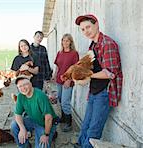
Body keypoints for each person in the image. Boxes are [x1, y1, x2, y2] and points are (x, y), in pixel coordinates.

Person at [74, 14, 123, 148]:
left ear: (96, 24)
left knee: (94, 129)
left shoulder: (107, 44)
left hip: (104, 93)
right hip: (94, 91)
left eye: (88, 27)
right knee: (86, 124)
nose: (86, 31)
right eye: (83, 29)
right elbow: (92, 67)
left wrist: (88, 75)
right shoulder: (93, 46)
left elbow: (110, 73)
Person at [11, 75, 58, 148]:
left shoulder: (40, 96)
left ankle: (51, 133)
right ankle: (24, 145)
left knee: (42, 145)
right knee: (14, 125)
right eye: (20, 86)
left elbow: (48, 118)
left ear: (30, 84)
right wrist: (22, 128)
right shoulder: (20, 96)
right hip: (33, 119)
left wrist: (46, 134)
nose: (23, 88)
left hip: (45, 123)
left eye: (25, 84)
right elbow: (18, 114)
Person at [52, 33, 79, 132]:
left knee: (65, 102)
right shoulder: (59, 53)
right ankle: (63, 118)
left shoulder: (74, 53)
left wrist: (69, 80)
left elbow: (75, 69)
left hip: (68, 81)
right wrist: (54, 76)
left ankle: (69, 123)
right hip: (59, 80)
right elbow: (57, 66)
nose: (65, 42)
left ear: (70, 42)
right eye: (63, 40)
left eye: (67, 40)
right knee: (59, 98)